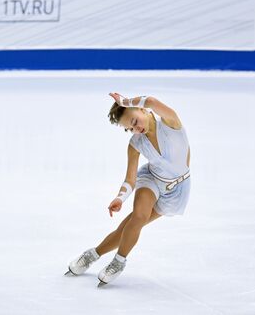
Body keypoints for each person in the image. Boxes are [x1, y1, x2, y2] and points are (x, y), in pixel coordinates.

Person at [64, 92, 191, 287]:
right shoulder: (136, 144)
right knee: (139, 216)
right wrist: (119, 198)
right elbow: (130, 178)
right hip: (151, 179)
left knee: (128, 226)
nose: (135, 128)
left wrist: (124, 102)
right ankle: (118, 262)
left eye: (134, 121)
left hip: (177, 190)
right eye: (129, 128)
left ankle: (92, 254)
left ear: (141, 109)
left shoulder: (170, 123)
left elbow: (151, 101)